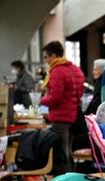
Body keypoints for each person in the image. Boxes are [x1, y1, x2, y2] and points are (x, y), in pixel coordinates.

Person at [40, 41, 85, 173]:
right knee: (67, 150)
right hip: (73, 116)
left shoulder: (57, 71)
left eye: (46, 57)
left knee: (61, 153)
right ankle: (71, 177)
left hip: (61, 118)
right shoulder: (75, 69)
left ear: (53, 55)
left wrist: (41, 100)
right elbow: (79, 93)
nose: (46, 60)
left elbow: (56, 97)